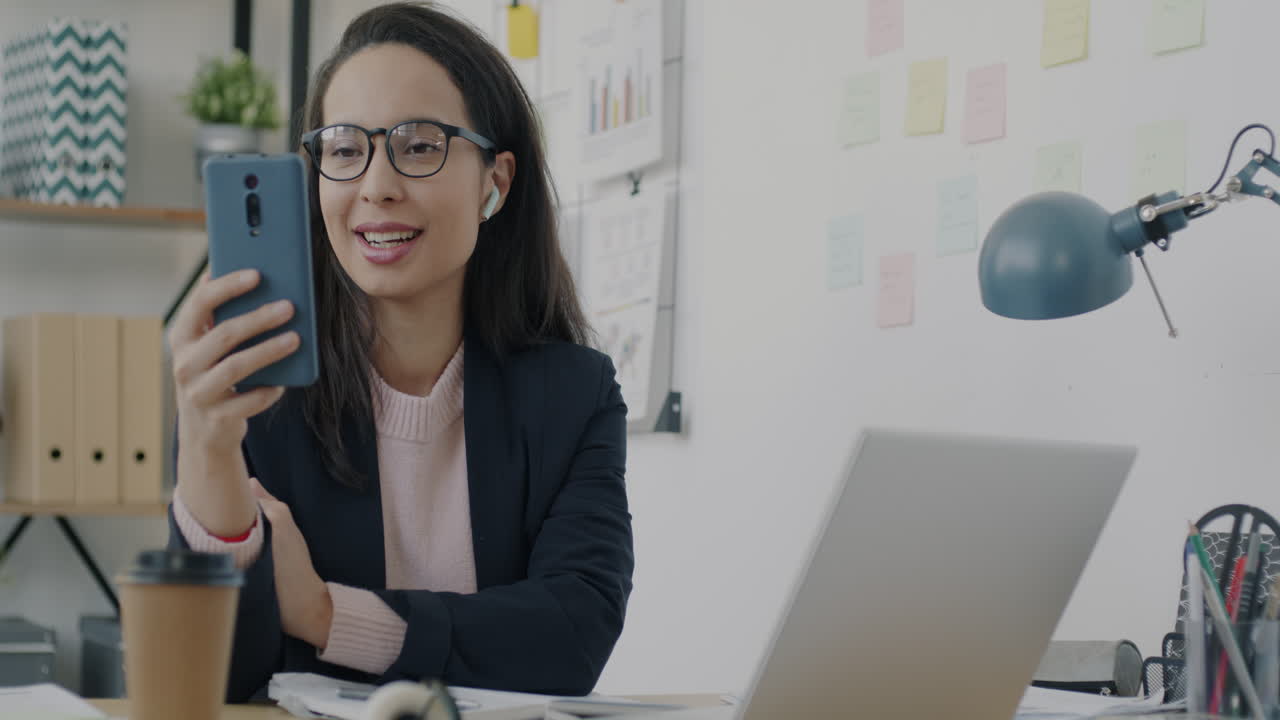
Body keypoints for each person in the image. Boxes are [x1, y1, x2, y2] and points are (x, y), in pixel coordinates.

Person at [166, 1, 633, 701]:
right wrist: (205, 448)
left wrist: (327, 616)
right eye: (345, 149)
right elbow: (218, 680)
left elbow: (571, 638)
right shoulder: (257, 393)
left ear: (494, 183)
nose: (376, 186)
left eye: (419, 146)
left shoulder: (574, 396)